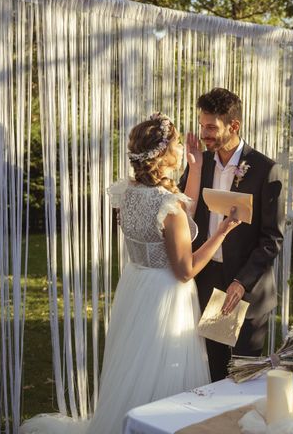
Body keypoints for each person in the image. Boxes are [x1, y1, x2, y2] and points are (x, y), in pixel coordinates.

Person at [20, 113, 240, 434]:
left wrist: (195, 170)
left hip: (138, 288)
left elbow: (180, 210)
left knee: (136, 367)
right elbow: (185, 270)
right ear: (163, 153)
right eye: (177, 143)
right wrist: (222, 231)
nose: (180, 147)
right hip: (167, 297)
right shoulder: (168, 206)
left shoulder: (130, 193)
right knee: (164, 370)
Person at [179, 87, 284, 382]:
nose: (204, 134)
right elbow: (182, 211)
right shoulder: (200, 165)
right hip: (209, 278)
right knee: (215, 371)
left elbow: (272, 238)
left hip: (245, 286)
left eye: (211, 127)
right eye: (202, 126)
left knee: (243, 373)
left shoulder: (266, 170)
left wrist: (242, 281)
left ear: (233, 126)